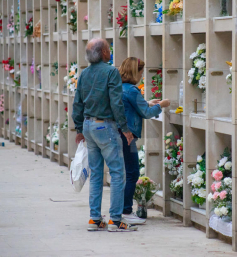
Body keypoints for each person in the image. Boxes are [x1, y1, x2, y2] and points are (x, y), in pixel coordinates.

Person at [72, 38, 137, 232]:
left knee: (96, 173)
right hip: (105, 127)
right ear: (103, 53)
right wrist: (125, 129)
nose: (110, 51)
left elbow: (78, 103)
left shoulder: (84, 74)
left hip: (88, 126)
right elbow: (116, 102)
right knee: (118, 173)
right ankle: (115, 220)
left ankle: (94, 219)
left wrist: (78, 128)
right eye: (108, 49)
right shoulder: (110, 72)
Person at [118, 57, 170, 224]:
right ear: (135, 71)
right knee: (132, 172)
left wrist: (147, 102)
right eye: (141, 72)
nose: (141, 75)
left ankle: (119, 209)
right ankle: (126, 211)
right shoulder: (133, 90)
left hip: (116, 133)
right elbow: (146, 113)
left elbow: (130, 106)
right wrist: (162, 104)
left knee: (122, 172)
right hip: (127, 135)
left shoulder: (119, 87)